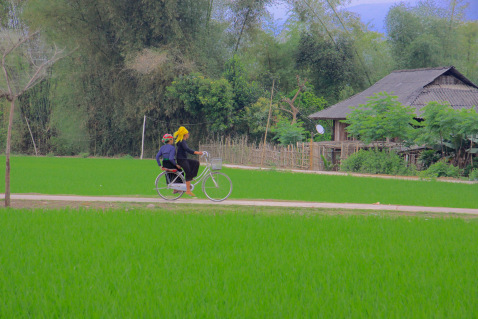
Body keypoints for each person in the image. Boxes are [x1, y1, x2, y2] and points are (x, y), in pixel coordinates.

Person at [174, 126, 203, 197]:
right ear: (185, 134)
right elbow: (187, 149)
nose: (188, 134)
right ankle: (188, 190)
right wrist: (197, 152)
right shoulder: (182, 141)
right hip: (181, 160)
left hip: (183, 159)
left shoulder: (182, 141)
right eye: (188, 133)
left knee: (196, 162)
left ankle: (191, 177)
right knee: (188, 172)